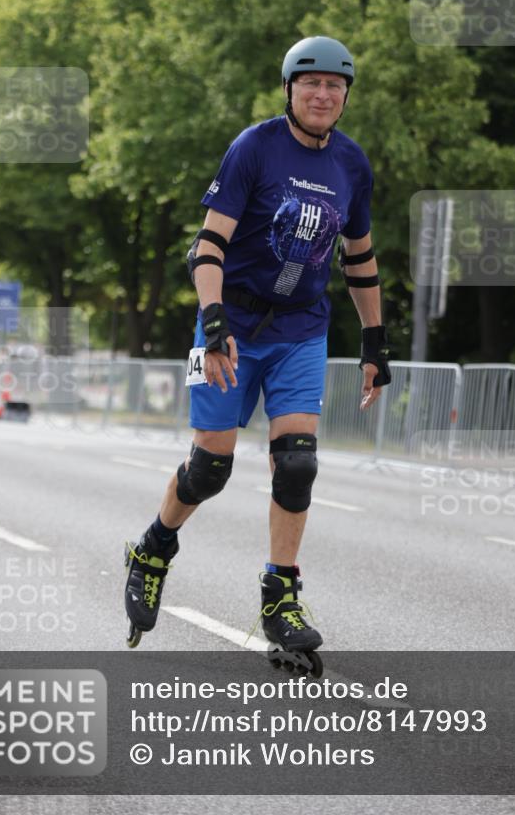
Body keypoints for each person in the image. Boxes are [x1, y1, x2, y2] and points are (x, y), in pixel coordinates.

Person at [124, 35, 391, 667]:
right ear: (290, 90)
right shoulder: (255, 147)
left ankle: (280, 595)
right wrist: (212, 321)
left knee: (296, 464)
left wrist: (375, 342)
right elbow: (207, 245)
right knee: (209, 468)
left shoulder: (351, 165)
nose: (323, 94)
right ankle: (154, 548)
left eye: (335, 85)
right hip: (233, 327)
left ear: (346, 95)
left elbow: (360, 258)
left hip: (301, 328)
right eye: (311, 84)